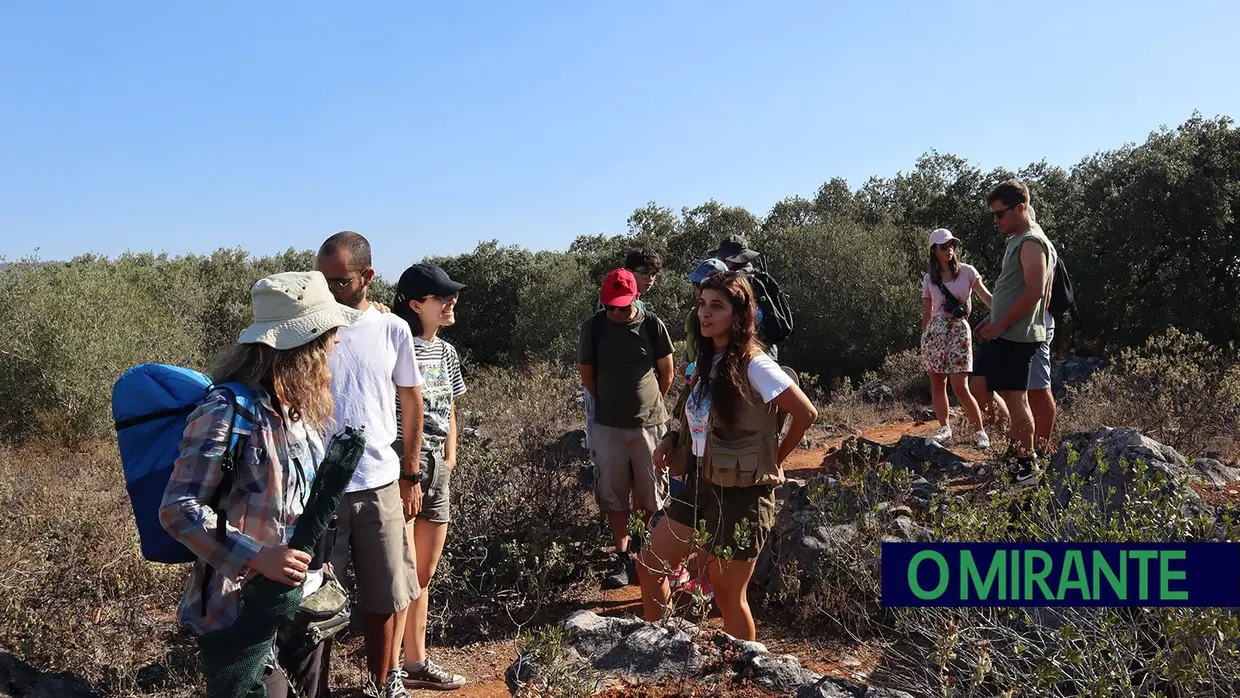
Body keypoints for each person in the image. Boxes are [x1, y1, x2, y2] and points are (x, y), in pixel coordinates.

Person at [160, 270, 361, 698]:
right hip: (242, 609)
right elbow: (178, 509)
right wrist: (259, 557)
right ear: (303, 345)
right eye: (329, 332)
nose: (337, 341)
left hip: (305, 602)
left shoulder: (298, 408)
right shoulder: (227, 410)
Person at [638, 271, 817, 641]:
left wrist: (777, 460)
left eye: (716, 306)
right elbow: (688, 413)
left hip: (742, 494)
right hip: (697, 483)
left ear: (739, 314)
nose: (705, 313)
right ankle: (656, 652)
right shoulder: (706, 359)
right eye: (702, 304)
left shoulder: (756, 364)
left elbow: (806, 414)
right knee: (650, 566)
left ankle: (749, 671)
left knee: (728, 595)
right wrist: (672, 439)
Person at [318, 231, 425, 698]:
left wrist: (411, 472)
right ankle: (312, 688)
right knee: (312, 604)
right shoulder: (310, 325)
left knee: (386, 595)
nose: (330, 291)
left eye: (340, 282)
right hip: (318, 487)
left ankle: (382, 686)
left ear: (368, 277)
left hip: (380, 480)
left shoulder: (392, 329)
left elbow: (411, 401)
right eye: (323, 282)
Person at [391, 263, 469, 692]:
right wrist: (411, 469)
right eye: (442, 298)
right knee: (400, 575)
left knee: (422, 574)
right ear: (416, 304)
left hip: (438, 467)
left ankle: (416, 662)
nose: (451, 302)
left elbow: (451, 408)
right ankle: (391, 671)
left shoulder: (447, 352)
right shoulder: (396, 345)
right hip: (404, 467)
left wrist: (450, 459)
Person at [579, 268, 675, 589]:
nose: (616, 312)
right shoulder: (593, 328)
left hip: (649, 425)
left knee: (649, 494)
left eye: (622, 306)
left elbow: (667, 373)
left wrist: (649, 405)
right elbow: (587, 375)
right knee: (614, 495)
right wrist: (609, 407)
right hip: (608, 427)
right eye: (610, 306)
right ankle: (622, 557)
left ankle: (638, 543)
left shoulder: (652, 325)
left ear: (636, 298)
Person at [969, 181, 1054, 484]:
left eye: (1000, 214)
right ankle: (1018, 446)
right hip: (1003, 333)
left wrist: (1000, 324)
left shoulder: (1032, 242)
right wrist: (993, 320)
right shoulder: (1018, 240)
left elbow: (1035, 290)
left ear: (1019, 208)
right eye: (993, 215)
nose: (996, 221)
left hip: (1017, 336)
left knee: (1017, 400)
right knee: (977, 385)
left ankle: (1026, 464)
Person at [921, 228, 992, 450]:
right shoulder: (929, 279)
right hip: (935, 333)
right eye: (944, 246)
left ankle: (979, 430)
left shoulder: (967, 272)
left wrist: (1002, 316)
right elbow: (926, 312)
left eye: (952, 245)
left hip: (959, 331)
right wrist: (925, 339)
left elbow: (988, 298)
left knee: (960, 386)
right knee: (937, 384)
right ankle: (945, 427)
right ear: (934, 251)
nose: (949, 250)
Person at [1024, 205, 1060, 457]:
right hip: (1032, 325)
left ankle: (1041, 449)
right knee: (1028, 389)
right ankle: (1031, 446)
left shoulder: (1037, 245)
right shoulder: (1038, 244)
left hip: (1035, 326)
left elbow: (1038, 293)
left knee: (1038, 388)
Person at [683, 259, 729, 365]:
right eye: (693, 283)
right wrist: (684, 361)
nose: (694, 287)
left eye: (699, 284)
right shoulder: (694, 314)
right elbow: (690, 343)